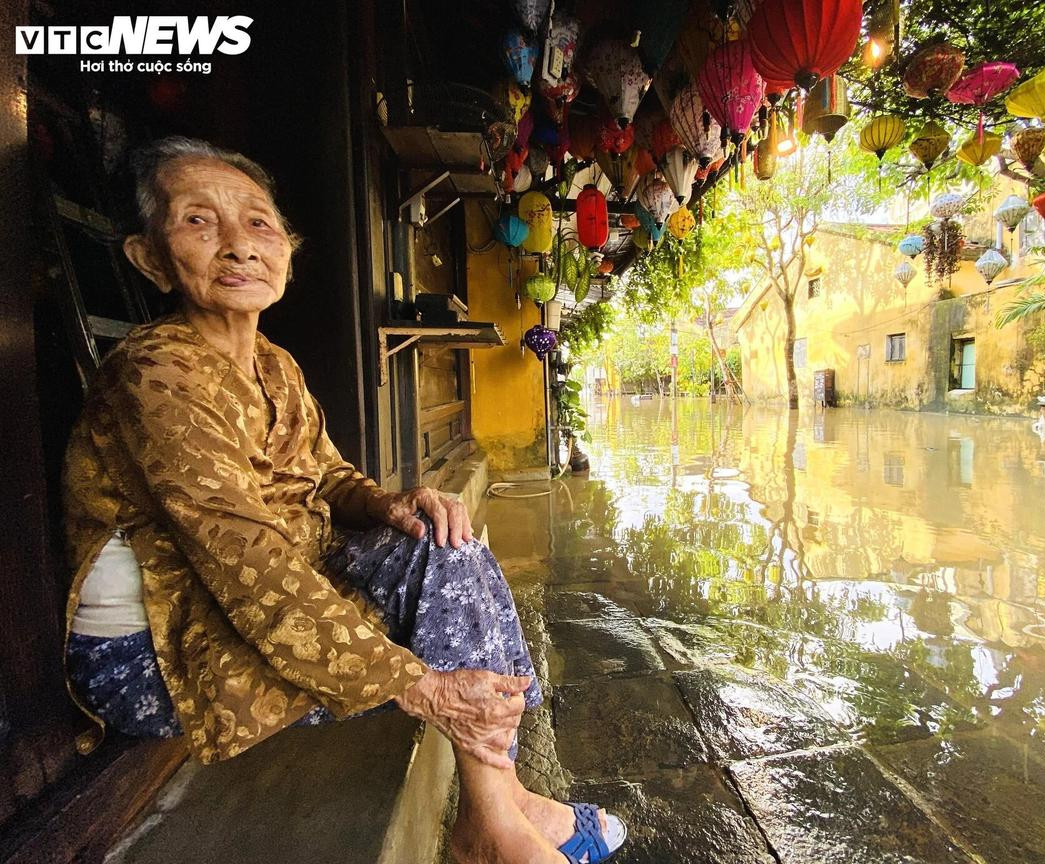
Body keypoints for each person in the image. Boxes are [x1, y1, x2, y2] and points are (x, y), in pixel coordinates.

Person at [62, 136, 625, 864]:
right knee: (437, 607)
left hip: (243, 602)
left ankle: (499, 810)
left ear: (288, 249)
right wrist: (421, 686)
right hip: (158, 650)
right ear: (148, 256)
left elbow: (327, 477)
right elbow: (250, 566)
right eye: (199, 222)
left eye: (259, 224)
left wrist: (390, 503)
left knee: (444, 542)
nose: (238, 247)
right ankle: (500, 818)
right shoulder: (156, 374)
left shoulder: (272, 363)